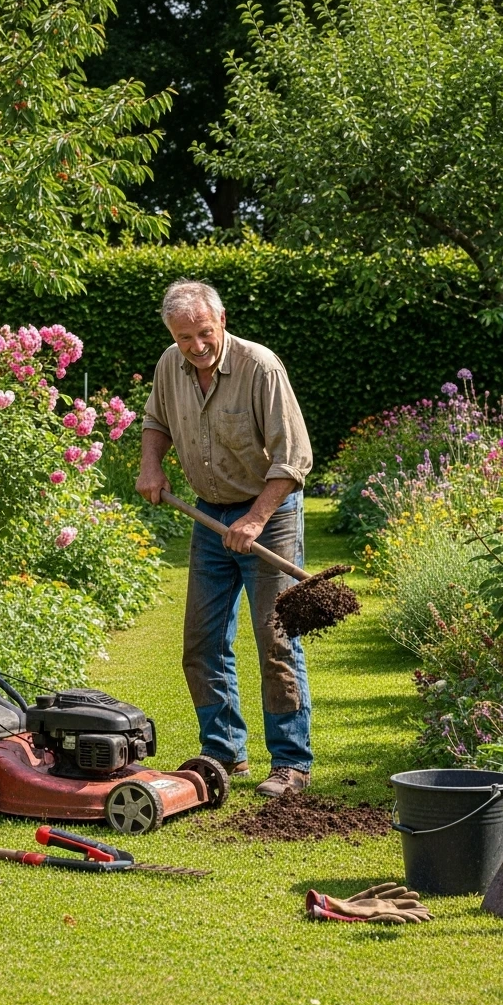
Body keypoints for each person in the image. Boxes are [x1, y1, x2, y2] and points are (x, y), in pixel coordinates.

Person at [135, 279, 314, 797]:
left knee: (276, 638)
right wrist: (152, 466)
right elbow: (155, 420)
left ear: (223, 320)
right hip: (210, 515)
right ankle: (223, 751)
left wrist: (256, 519)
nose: (195, 346)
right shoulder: (171, 365)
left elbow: (293, 460)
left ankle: (290, 762)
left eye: (203, 333)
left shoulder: (261, 368)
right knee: (202, 642)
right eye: (183, 336)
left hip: (269, 514)